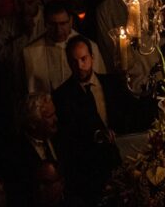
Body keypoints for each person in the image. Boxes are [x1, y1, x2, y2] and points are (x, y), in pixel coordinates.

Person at [52, 36, 137, 202]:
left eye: (84, 59)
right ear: (68, 62)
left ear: (92, 57)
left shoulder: (112, 83)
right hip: (89, 173)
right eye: (74, 61)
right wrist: (96, 136)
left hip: (123, 163)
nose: (80, 66)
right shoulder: (62, 96)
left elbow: (128, 116)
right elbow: (66, 138)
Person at [23, 0, 105, 93]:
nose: (58, 30)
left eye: (63, 24)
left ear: (71, 21)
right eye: (53, 24)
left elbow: (100, 84)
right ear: (45, 23)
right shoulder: (31, 53)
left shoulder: (90, 47)